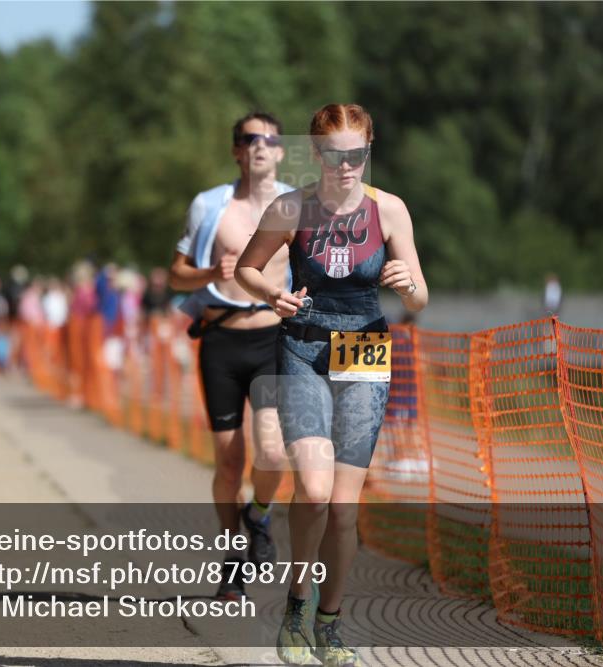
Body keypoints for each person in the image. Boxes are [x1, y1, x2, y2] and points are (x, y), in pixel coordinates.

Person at [235, 104, 428, 666]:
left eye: (358, 155)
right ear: (316, 153)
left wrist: (407, 284)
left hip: (365, 351)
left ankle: (330, 622)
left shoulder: (389, 210)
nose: (346, 166)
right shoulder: (292, 207)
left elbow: (419, 296)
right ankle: (296, 604)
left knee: (344, 508)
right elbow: (248, 269)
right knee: (314, 493)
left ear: (369, 151)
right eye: (335, 155)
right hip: (302, 347)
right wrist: (272, 296)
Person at [169, 111, 294, 600]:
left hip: (273, 340)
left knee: (271, 449)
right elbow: (175, 275)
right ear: (236, 151)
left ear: (281, 151)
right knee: (227, 462)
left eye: (268, 139)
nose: (259, 146)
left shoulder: (296, 205)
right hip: (221, 339)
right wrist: (208, 273)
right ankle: (232, 561)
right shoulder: (210, 207)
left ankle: (259, 514)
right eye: (248, 139)